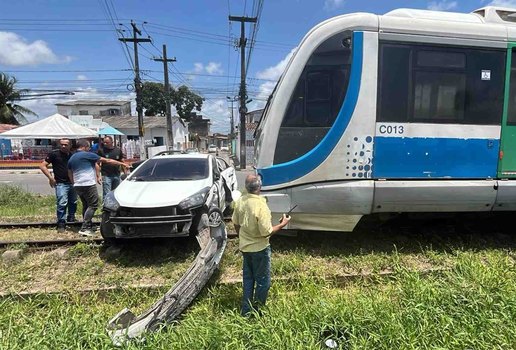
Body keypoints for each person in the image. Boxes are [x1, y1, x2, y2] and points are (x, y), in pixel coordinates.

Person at [232, 174, 291, 316]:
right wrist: (283, 224)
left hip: (245, 248)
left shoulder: (240, 201)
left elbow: (235, 222)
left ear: (246, 187)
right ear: (259, 187)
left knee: (248, 280)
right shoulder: (261, 205)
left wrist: (243, 237)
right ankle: (258, 312)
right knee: (263, 282)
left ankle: (246, 311)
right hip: (260, 249)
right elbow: (266, 233)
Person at [67, 139, 129, 237]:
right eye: (88, 147)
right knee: (93, 205)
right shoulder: (87, 155)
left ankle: (89, 224)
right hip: (88, 184)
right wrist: (122, 164)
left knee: (86, 205)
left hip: (78, 185)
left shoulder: (72, 157)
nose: (89, 149)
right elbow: (107, 160)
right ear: (85, 147)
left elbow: (69, 172)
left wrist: (74, 183)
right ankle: (85, 227)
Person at [39, 138, 78, 233]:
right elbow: (42, 165)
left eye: (65, 145)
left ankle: (71, 218)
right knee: (62, 203)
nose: (63, 146)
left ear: (70, 145)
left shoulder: (73, 155)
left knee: (73, 201)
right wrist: (50, 178)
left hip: (73, 183)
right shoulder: (54, 154)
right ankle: (61, 222)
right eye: (62, 144)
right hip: (61, 183)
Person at [97, 135, 126, 200]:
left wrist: (125, 173)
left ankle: (113, 208)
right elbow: (97, 163)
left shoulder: (118, 150)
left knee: (115, 193)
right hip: (106, 175)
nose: (105, 144)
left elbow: (122, 162)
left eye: (107, 142)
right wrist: (98, 176)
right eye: (104, 142)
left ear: (112, 142)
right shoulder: (101, 151)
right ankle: (105, 208)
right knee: (107, 194)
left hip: (116, 174)